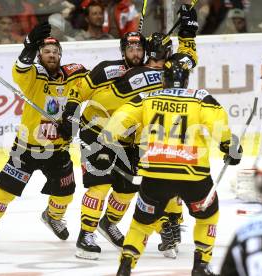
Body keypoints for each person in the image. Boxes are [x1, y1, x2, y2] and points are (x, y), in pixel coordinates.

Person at [58, 4, 199, 260]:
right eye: (130, 48)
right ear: (123, 51)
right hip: (97, 133)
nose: (135, 52)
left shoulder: (149, 72)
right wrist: (70, 110)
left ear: (147, 52)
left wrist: (187, 35)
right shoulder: (123, 72)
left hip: (127, 140)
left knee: (126, 190)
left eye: (139, 48)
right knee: (100, 186)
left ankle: (109, 223)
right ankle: (85, 235)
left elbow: (185, 62)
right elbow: (82, 89)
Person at [98, 58, 242, 276]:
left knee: (141, 224)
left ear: (163, 79)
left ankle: (126, 264)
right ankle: (201, 266)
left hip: (155, 173)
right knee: (207, 217)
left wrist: (106, 141)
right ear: (185, 80)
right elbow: (218, 124)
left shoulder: (147, 97)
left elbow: (120, 118)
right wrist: (229, 147)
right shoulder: (200, 97)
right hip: (193, 174)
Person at [0, 22, 88, 248]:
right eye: (46, 52)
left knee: (65, 194)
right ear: (40, 55)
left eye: (55, 52)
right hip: (26, 149)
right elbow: (21, 67)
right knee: (4, 192)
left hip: (58, 150)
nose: (51, 55)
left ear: (60, 55)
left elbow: (95, 86)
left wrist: (72, 123)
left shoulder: (75, 74)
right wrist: (28, 47)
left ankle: (52, 216)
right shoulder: (34, 75)